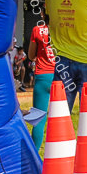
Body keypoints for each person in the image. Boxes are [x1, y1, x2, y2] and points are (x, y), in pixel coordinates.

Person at [28, 15, 56, 148]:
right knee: (61, 118)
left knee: (38, 119)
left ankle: (35, 157)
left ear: (43, 14)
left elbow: (31, 55)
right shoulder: (65, 29)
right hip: (60, 77)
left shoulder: (37, 30)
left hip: (43, 76)